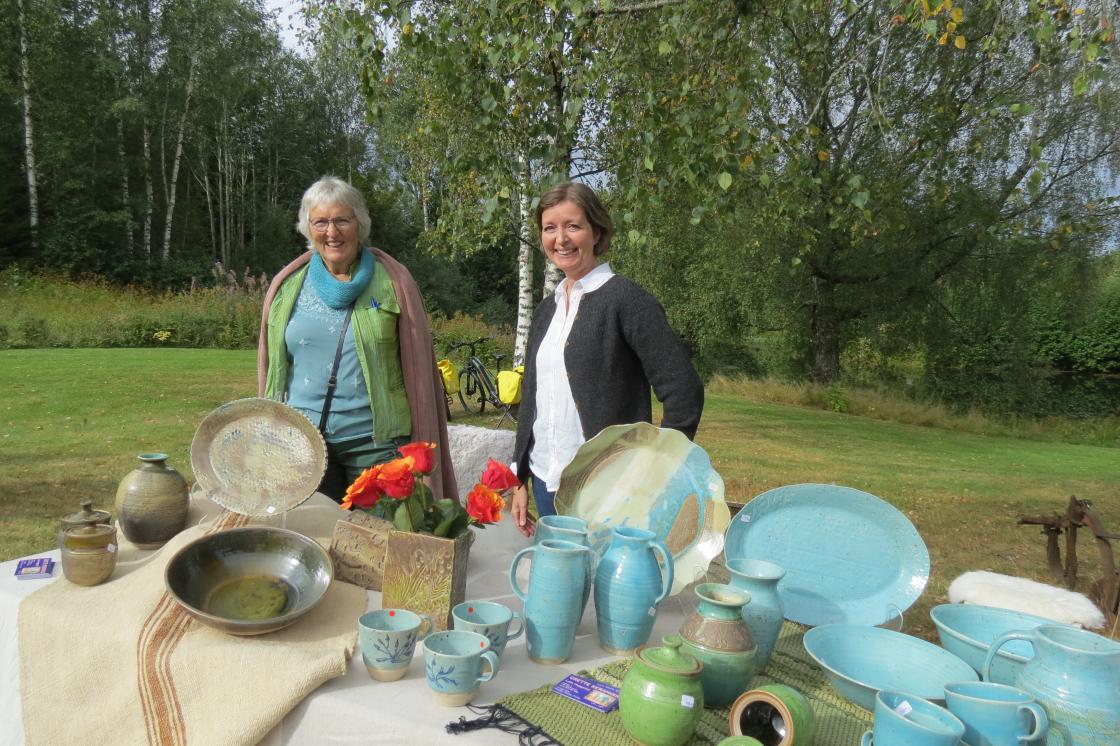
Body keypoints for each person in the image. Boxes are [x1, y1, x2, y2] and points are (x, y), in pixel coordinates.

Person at [510, 182, 704, 537]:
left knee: (608, 590)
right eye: (550, 228)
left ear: (596, 232)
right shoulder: (545, 311)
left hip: (610, 490)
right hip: (545, 483)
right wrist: (519, 476)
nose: (561, 239)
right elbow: (533, 399)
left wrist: (656, 471)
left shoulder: (626, 300)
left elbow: (684, 390)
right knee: (562, 589)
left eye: (573, 226)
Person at [257, 176, 456, 502]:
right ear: (308, 228)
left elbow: (418, 369)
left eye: (342, 220)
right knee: (314, 537)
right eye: (321, 222)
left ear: (359, 224)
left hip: (374, 445)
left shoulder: (393, 281)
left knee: (378, 542)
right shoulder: (288, 286)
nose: (331, 232)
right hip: (301, 444)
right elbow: (275, 365)